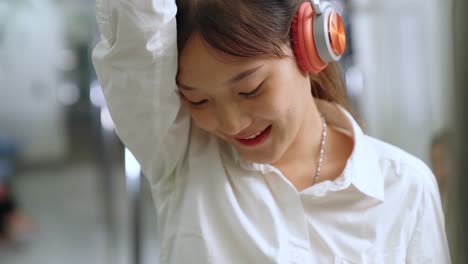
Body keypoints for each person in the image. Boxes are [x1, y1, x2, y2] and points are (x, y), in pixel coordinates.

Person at [93, 0, 450, 262]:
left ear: (309, 48)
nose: (231, 124)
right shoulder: (184, 157)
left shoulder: (406, 187)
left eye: (250, 90)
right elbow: (136, 27)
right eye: (199, 101)